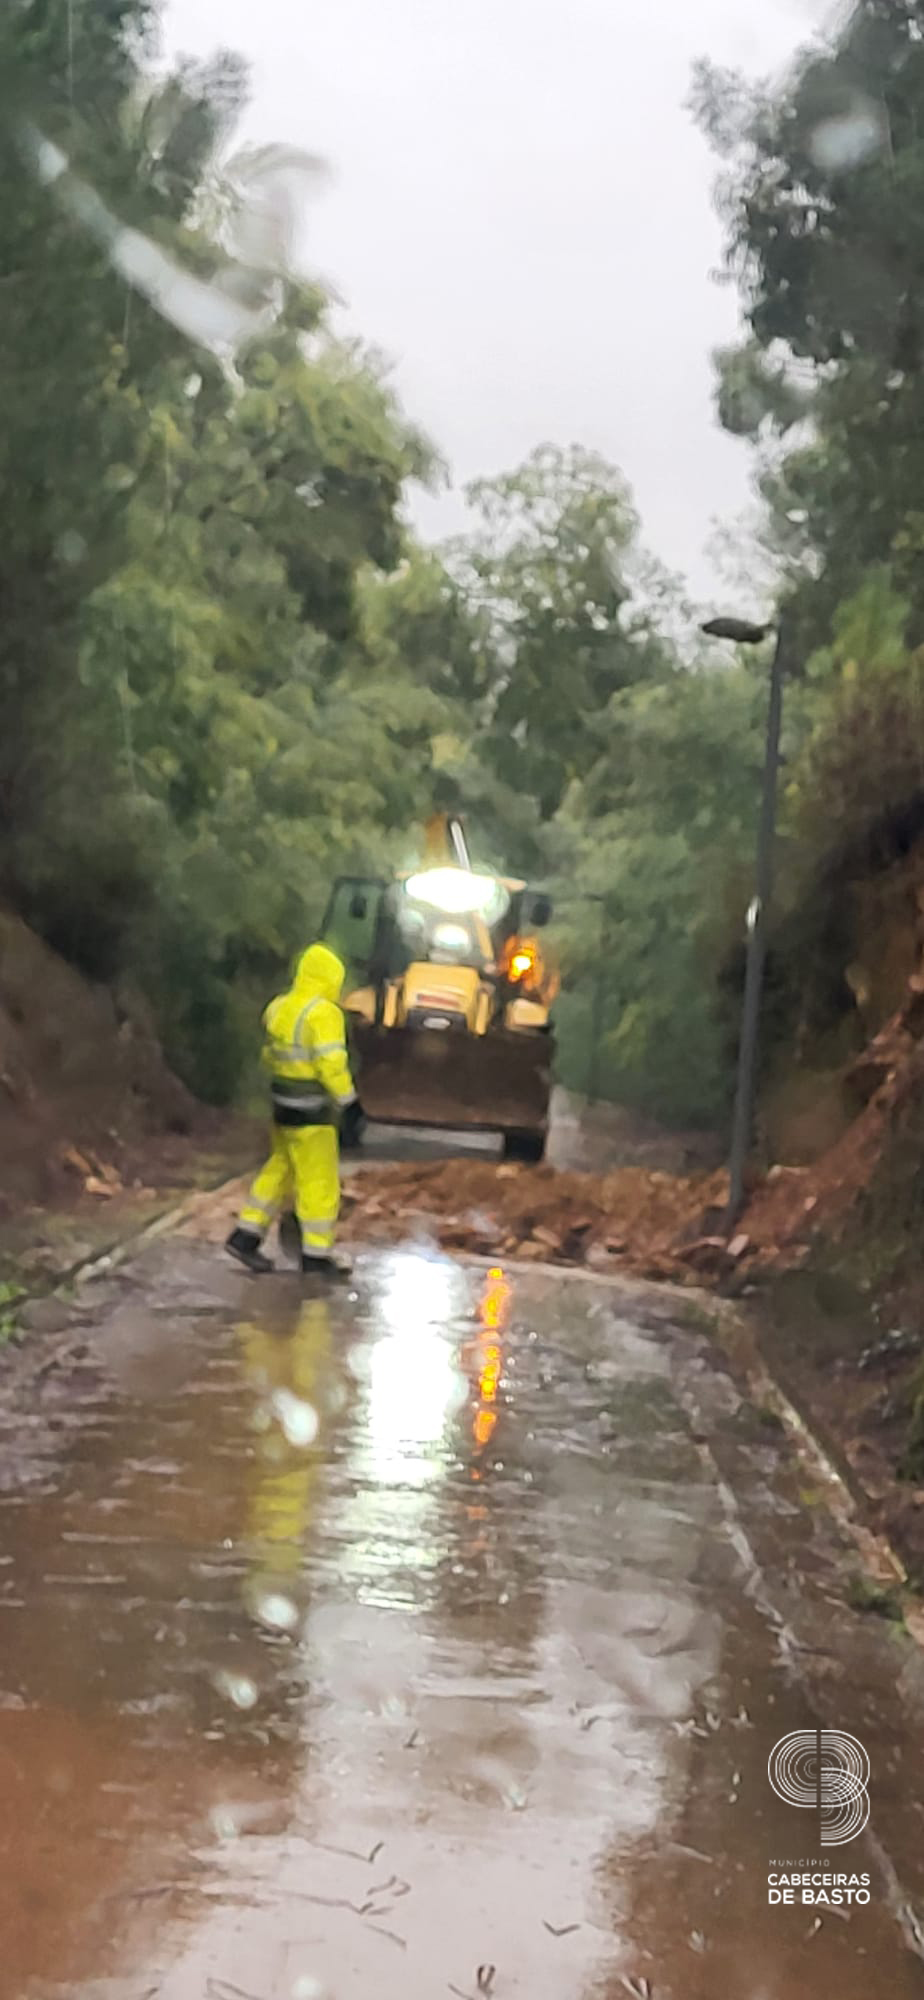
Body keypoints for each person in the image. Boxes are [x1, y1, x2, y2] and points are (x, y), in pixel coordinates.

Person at [226, 942, 363, 1278]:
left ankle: (245, 1236)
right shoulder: (324, 1013)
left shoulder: (278, 1007)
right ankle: (316, 1255)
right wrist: (349, 1102)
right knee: (318, 1180)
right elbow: (331, 1063)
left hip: (282, 1106)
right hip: (312, 1112)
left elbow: (268, 1055)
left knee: (280, 1169)